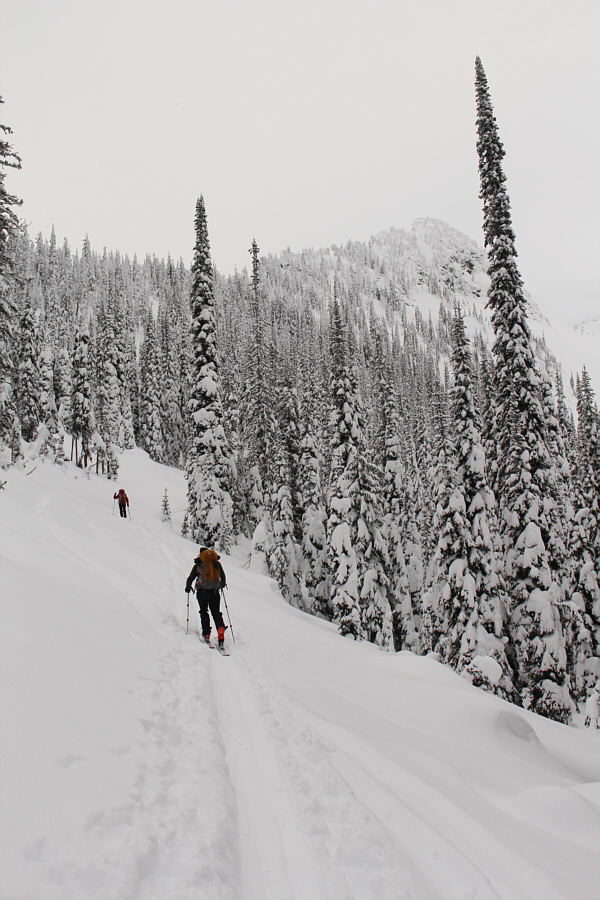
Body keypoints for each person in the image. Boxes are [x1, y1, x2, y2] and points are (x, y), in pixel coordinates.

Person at [185, 547, 227, 647]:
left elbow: (191, 577)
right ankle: (220, 631)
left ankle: (207, 634)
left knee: (204, 612)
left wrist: (188, 586)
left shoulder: (199, 563)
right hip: (215, 592)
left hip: (202, 592)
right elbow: (223, 577)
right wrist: (221, 585)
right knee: (216, 613)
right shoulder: (216, 563)